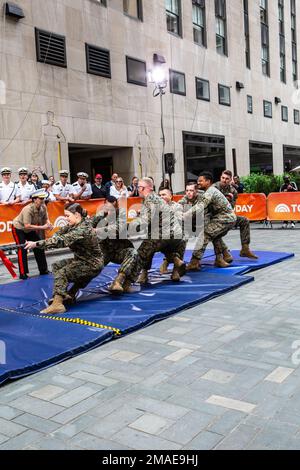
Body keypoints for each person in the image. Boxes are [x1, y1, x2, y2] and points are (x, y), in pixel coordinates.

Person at [25, 203, 104, 314]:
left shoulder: (82, 230)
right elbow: (61, 232)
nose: (66, 219)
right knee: (57, 266)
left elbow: (60, 241)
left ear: (76, 215)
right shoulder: (77, 223)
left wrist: (37, 244)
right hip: (83, 260)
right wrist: (50, 239)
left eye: (67, 216)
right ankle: (67, 294)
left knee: (63, 273)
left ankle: (58, 304)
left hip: (92, 264)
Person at [131, 178, 186, 284]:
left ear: (141, 188)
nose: (137, 190)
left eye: (138, 187)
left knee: (144, 248)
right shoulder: (155, 198)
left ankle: (134, 277)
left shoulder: (151, 199)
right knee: (158, 241)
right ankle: (176, 260)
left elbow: (144, 222)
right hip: (176, 234)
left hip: (166, 234)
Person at [187, 172, 237, 271]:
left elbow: (199, 207)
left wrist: (185, 215)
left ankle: (194, 262)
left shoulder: (210, 191)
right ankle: (221, 258)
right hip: (224, 218)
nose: (198, 183)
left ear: (208, 181)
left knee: (205, 235)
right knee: (215, 235)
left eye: (201, 181)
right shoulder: (207, 192)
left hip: (225, 219)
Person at [91, 196, 141, 293]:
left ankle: (120, 282)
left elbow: (118, 228)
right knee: (90, 269)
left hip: (119, 250)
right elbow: (88, 226)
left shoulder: (120, 215)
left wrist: (97, 230)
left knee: (134, 254)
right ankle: (71, 291)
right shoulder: (100, 216)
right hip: (104, 251)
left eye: (114, 207)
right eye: (108, 207)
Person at [214, 170, 258, 260]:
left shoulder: (233, 191)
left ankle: (245, 249)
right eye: (223, 178)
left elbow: (231, 208)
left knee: (244, 220)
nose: (224, 180)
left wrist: (229, 200)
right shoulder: (214, 188)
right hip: (214, 216)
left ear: (230, 180)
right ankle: (224, 252)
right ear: (220, 178)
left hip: (226, 216)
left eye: (227, 179)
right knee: (214, 232)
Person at [12, 189, 52, 279]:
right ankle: (23, 274)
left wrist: (49, 223)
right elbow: (27, 226)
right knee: (22, 249)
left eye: (43, 198)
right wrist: (43, 227)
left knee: (39, 245)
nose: (42, 200)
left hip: (29, 229)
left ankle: (43, 269)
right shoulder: (27, 209)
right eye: (40, 198)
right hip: (19, 228)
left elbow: (46, 217)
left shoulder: (43, 206)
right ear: (34, 199)